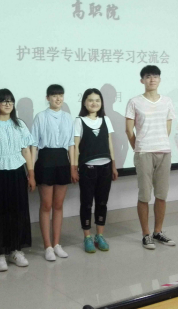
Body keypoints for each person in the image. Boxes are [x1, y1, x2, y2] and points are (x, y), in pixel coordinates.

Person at [0, 89, 36, 272]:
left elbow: (26, 150)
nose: (8, 104)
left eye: (10, 101)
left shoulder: (20, 124)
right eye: (4, 101)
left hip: (17, 172)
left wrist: (31, 174)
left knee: (18, 211)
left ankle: (16, 250)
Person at [125, 65, 177, 250]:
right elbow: (128, 130)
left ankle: (158, 231)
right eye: (148, 76)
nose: (152, 79)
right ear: (142, 80)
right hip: (144, 153)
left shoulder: (167, 101)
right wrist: (139, 147)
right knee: (145, 196)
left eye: (155, 76)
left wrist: (160, 142)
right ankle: (146, 234)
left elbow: (167, 128)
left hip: (164, 152)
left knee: (161, 195)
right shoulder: (134, 102)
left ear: (159, 80)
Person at [31, 84, 74, 261]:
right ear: (47, 98)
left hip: (63, 161)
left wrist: (73, 166)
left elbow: (71, 144)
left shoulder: (68, 117)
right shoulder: (40, 117)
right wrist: (31, 171)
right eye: (54, 95)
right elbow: (34, 145)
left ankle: (57, 244)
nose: (58, 99)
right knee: (46, 205)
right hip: (46, 160)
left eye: (60, 95)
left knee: (58, 205)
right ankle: (47, 246)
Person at [72, 88, 119, 253]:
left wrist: (113, 165)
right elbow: (75, 147)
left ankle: (99, 236)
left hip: (105, 167)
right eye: (90, 100)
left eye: (97, 100)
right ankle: (87, 237)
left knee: (102, 203)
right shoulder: (79, 121)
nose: (94, 103)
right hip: (87, 169)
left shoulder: (106, 119)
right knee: (86, 204)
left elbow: (110, 143)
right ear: (84, 102)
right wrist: (74, 167)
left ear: (101, 103)